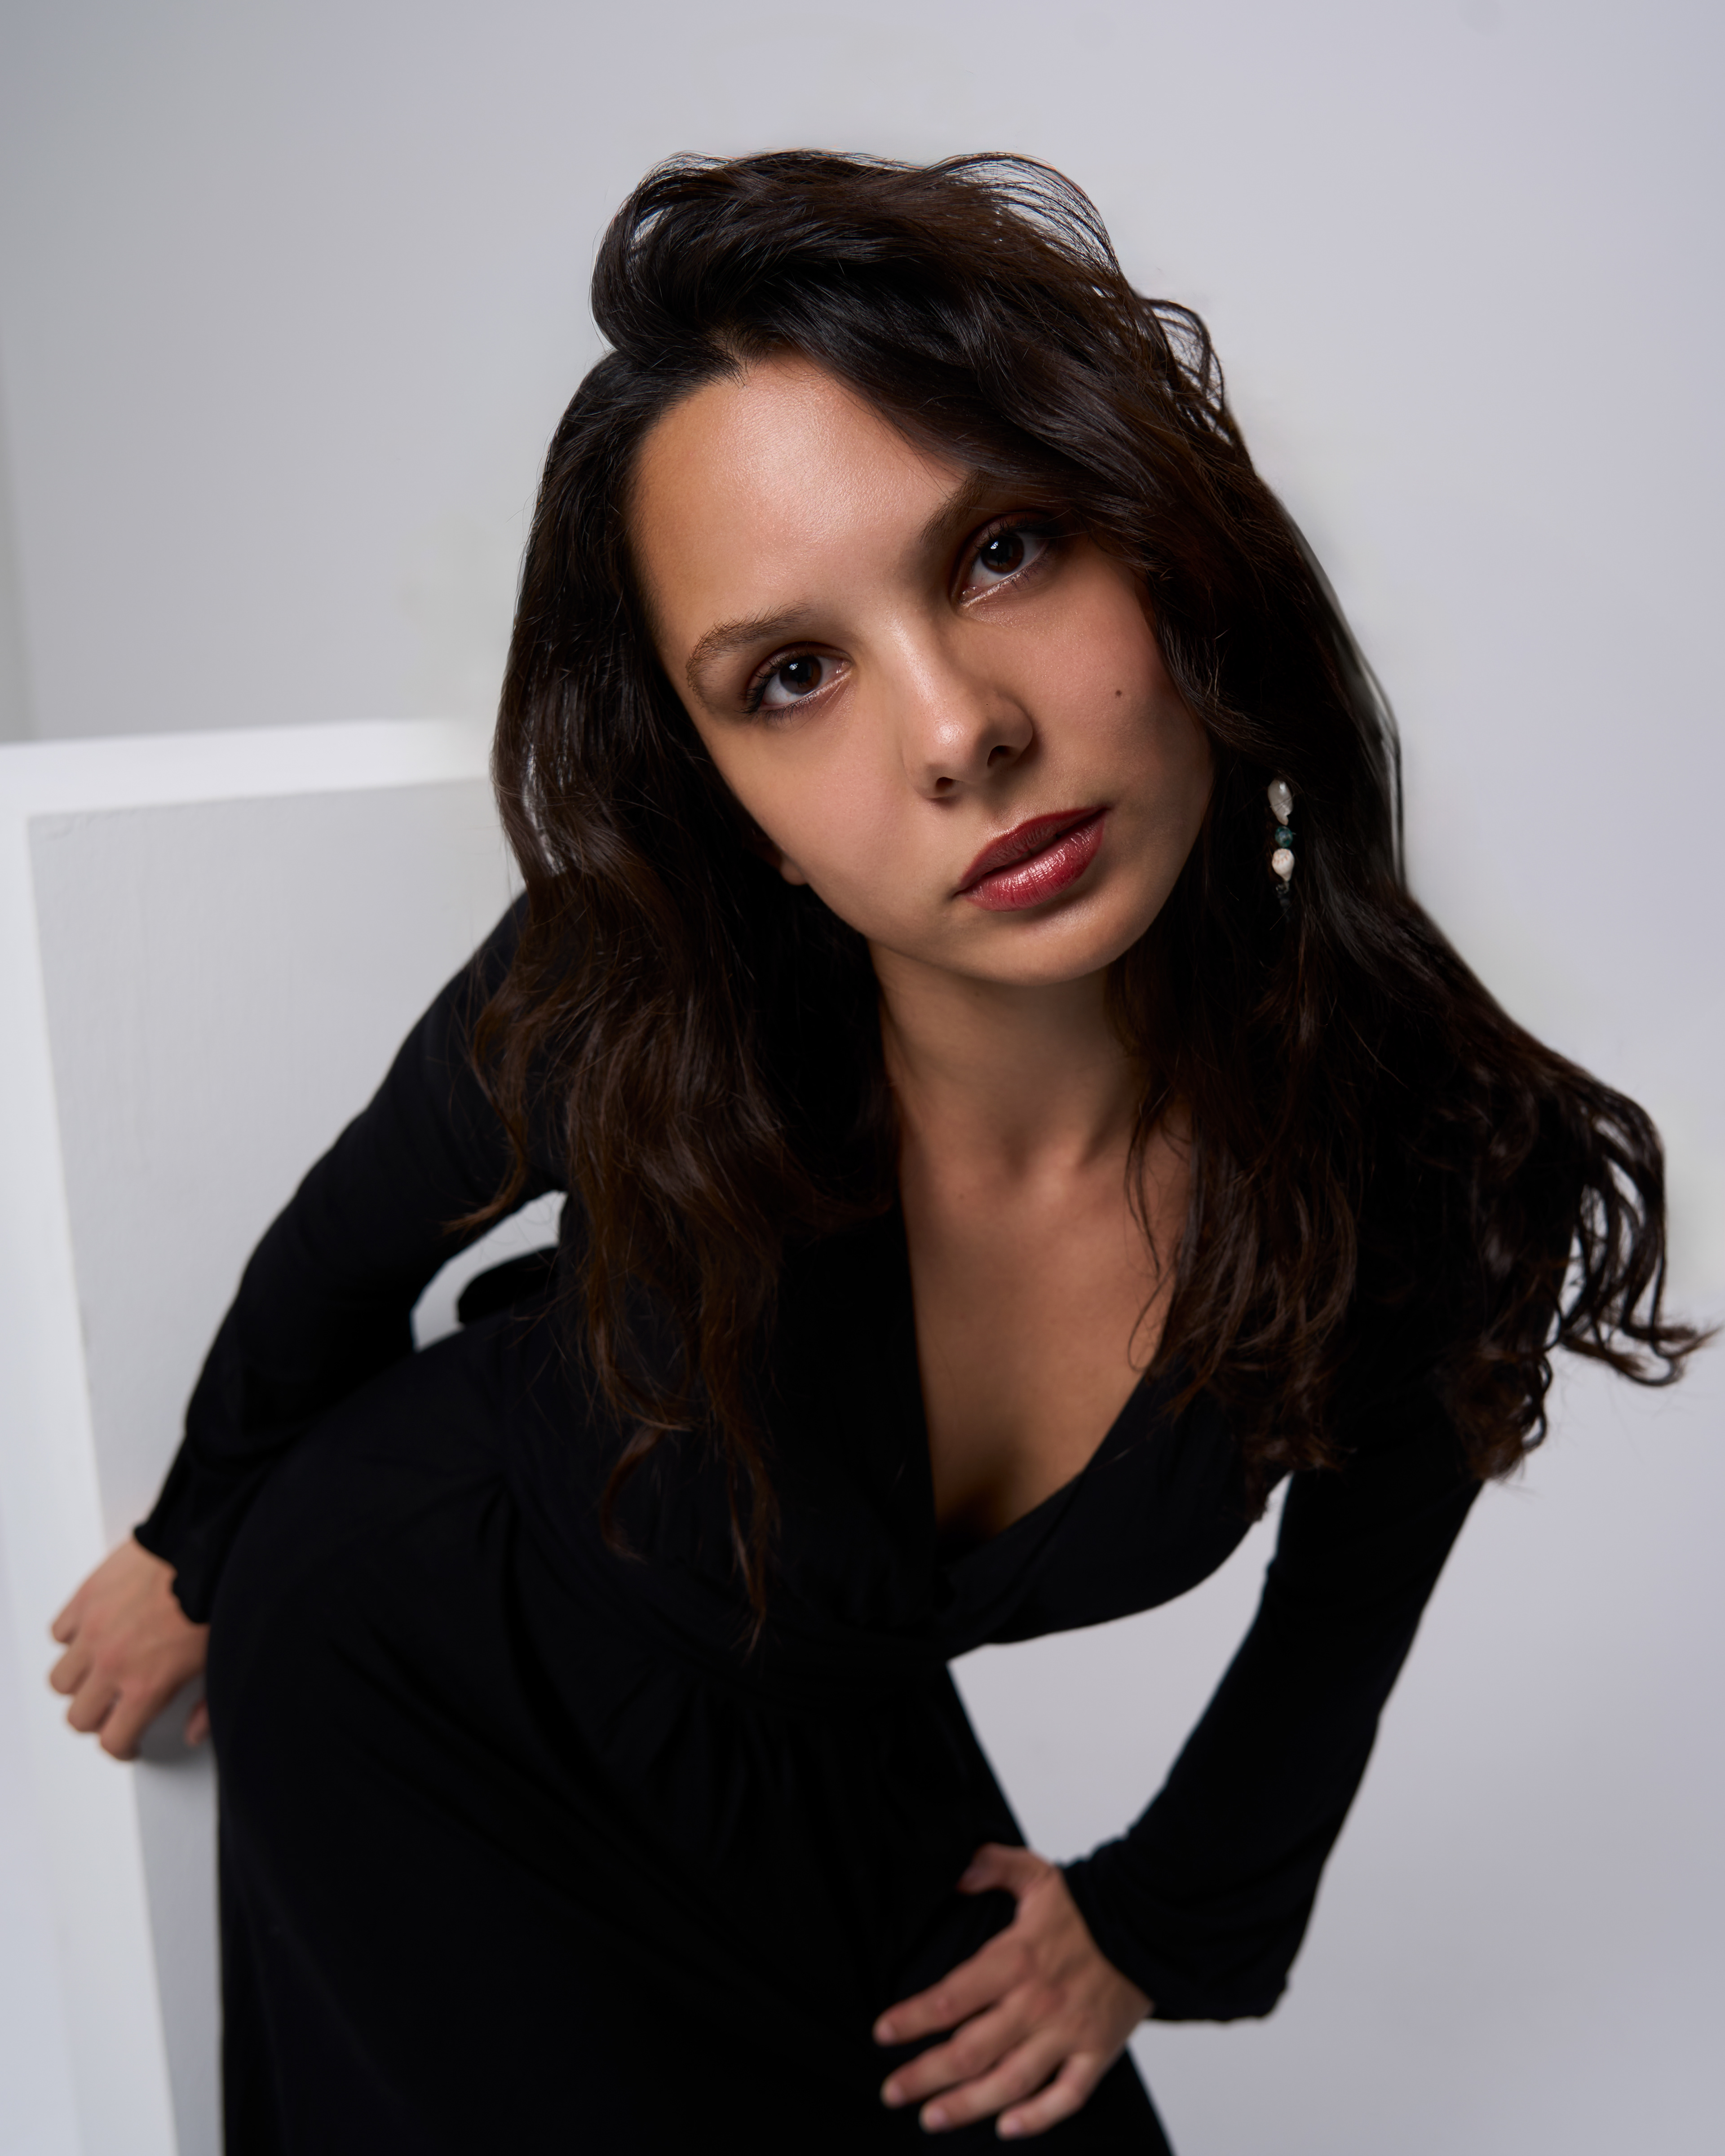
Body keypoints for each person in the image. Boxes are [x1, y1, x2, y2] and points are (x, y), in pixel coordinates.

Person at [46, 151, 1696, 2152]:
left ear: (1170, 550)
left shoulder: (1432, 1173)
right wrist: (195, 1540)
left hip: (831, 1759)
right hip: (427, 1687)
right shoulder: (637, 995)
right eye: (792, 676)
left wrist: (1149, 1919)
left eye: (1003, 551)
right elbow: (348, 1246)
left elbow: (1336, 1631)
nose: (956, 731)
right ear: (729, 796)